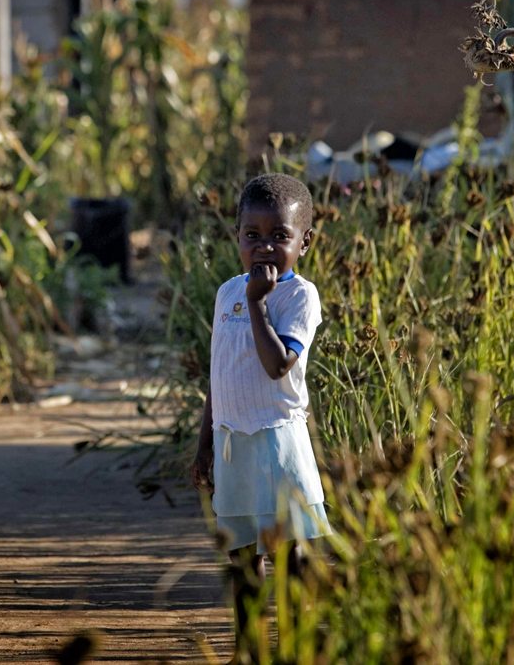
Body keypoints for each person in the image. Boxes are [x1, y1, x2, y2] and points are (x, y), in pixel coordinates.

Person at [191, 172, 331, 661]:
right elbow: (220, 373)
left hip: (279, 443)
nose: (265, 247)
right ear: (237, 238)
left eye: (280, 236)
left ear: (305, 242)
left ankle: (293, 652)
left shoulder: (298, 297)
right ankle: (247, 652)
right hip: (233, 445)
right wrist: (204, 444)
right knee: (242, 563)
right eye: (253, 236)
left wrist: (257, 304)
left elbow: (277, 367)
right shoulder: (227, 292)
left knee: (291, 559)